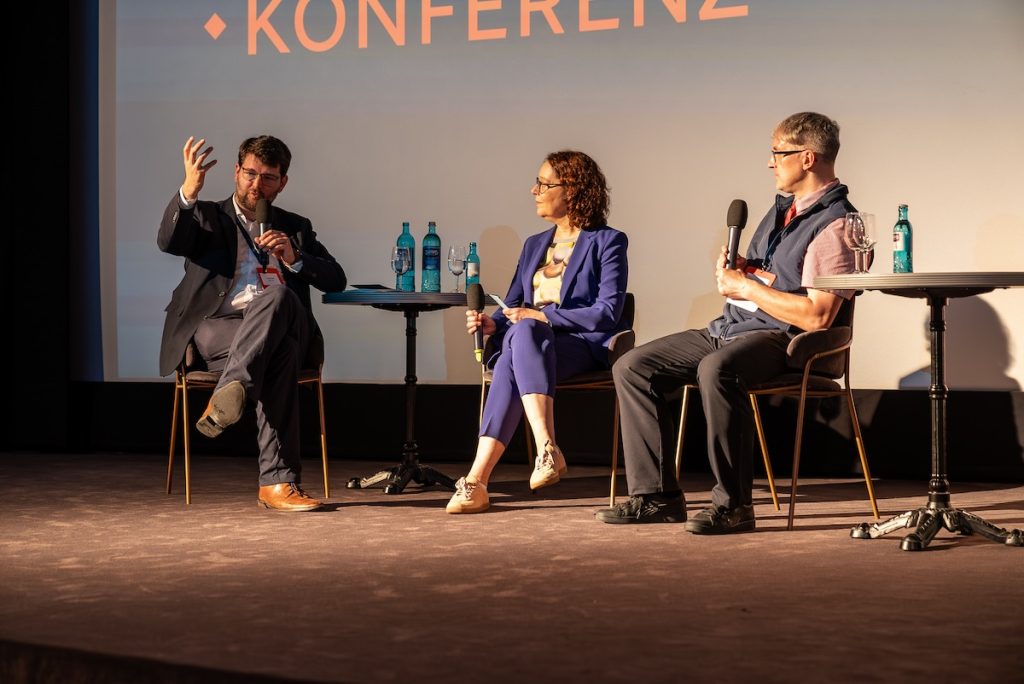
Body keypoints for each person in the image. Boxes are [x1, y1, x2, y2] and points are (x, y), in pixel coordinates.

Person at [597, 112, 857, 532]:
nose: (771, 162)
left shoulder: (836, 224)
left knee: (717, 369)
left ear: (807, 158)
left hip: (785, 340)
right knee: (633, 366)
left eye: (778, 153)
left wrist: (747, 288)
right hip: (732, 328)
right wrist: (744, 270)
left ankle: (734, 505)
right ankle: (656, 496)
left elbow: (817, 316)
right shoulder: (782, 211)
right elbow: (776, 279)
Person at [158, 135, 347, 512]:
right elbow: (169, 240)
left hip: (279, 320)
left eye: (268, 177)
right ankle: (277, 484)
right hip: (219, 330)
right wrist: (188, 193)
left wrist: (294, 259)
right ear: (236, 172)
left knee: (277, 298)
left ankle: (232, 390)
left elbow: (336, 279)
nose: (256, 185)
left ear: (283, 182)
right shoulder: (208, 216)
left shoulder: (295, 227)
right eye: (249, 174)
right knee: (281, 353)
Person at [446, 150, 629, 514]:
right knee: (519, 337)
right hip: (529, 345)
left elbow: (608, 312)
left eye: (544, 183)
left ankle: (477, 480)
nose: (534, 190)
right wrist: (492, 322)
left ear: (573, 189)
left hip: (578, 347)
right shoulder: (534, 244)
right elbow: (511, 302)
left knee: (520, 341)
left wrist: (544, 318)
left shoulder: (608, 241)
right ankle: (547, 449)